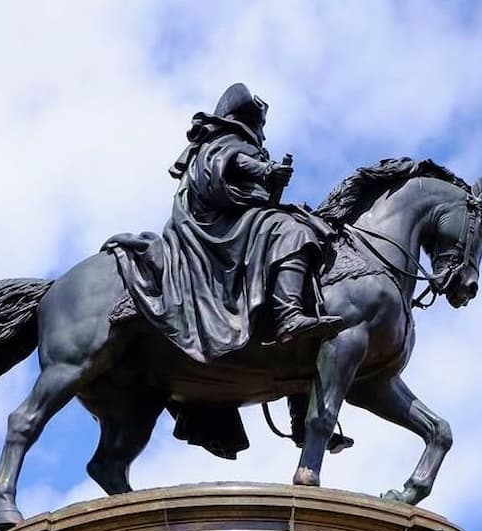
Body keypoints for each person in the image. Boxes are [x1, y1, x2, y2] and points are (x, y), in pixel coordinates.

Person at [106, 82, 344, 365]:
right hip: (214, 225)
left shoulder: (235, 144)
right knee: (291, 231)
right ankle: (288, 316)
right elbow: (228, 164)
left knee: (291, 221)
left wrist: (273, 182)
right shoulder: (223, 140)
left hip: (237, 219)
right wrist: (266, 170)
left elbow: (260, 198)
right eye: (259, 124)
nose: (262, 133)